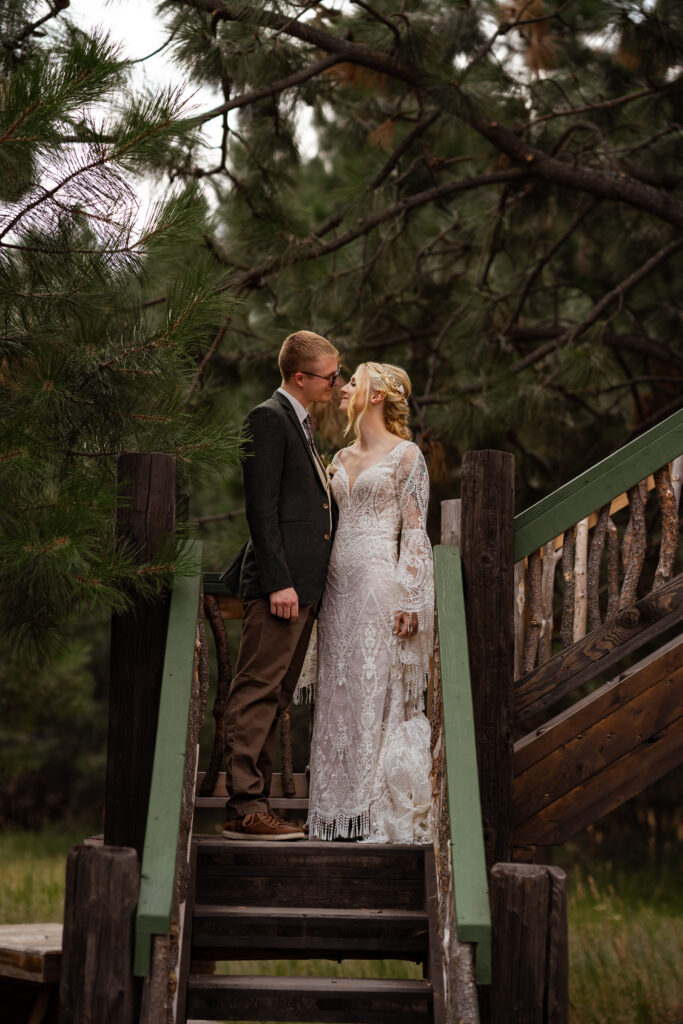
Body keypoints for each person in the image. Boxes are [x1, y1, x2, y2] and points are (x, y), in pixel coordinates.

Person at [298, 362, 434, 844]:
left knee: (377, 686)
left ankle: (373, 807)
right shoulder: (338, 456)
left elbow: (416, 529)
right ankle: (334, 813)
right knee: (339, 692)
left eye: (353, 380)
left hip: (379, 581)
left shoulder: (406, 456)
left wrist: (411, 595)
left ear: (376, 395)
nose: (344, 387)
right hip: (334, 588)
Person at [219, 330, 341, 840]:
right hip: (281, 589)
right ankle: (245, 807)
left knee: (277, 694)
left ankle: (258, 804)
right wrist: (279, 583)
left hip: (303, 588)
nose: (337, 383)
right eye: (330, 377)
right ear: (299, 377)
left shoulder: (304, 423)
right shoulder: (268, 419)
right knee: (257, 690)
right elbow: (260, 509)